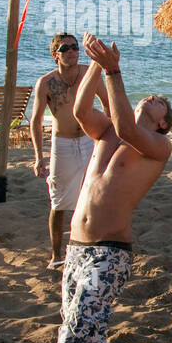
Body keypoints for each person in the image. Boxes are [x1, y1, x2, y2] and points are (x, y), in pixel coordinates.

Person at [58, 33, 172, 343]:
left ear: (161, 121)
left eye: (160, 100)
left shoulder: (156, 146)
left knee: (82, 340)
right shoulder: (105, 134)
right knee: (74, 342)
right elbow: (78, 108)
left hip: (109, 254)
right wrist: (94, 63)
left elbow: (126, 123)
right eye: (152, 94)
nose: (153, 96)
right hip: (77, 250)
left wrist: (113, 69)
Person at [31, 33, 108, 269]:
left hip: (88, 139)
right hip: (61, 142)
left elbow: (108, 104)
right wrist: (38, 157)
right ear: (56, 55)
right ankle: (56, 255)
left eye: (75, 47)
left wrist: (109, 139)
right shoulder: (46, 82)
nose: (72, 51)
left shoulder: (89, 74)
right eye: (66, 48)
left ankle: (93, 246)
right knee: (59, 202)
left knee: (93, 195)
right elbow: (36, 121)